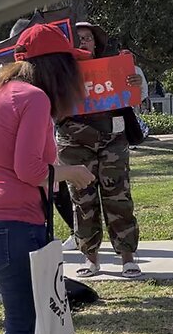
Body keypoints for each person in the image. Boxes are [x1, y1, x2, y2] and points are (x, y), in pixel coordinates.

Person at [0, 23, 96, 334]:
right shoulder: (34, 98)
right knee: (24, 330)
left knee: (23, 326)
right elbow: (30, 170)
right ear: (57, 67)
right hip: (13, 226)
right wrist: (74, 172)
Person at [57, 20, 144, 279]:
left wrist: (134, 84)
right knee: (83, 201)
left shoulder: (114, 68)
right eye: (78, 38)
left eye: (87, 38)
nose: (83, 42)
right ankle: (90, 258)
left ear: (96, 43)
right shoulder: (60, 74)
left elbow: (134, 98)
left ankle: (127, 257)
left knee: (118, 197)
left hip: (112, 141)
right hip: (74, 145)